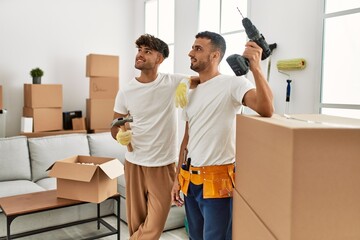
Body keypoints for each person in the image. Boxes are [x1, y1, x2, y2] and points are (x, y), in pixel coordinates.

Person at [171, 31, 274, 240]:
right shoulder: (191, 93)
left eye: (198, 49)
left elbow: (266, 108)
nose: (191, 52)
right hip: (190, 180)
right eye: (192, 47)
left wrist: (255, 67)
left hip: (217, 184)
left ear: (215, 55)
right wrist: (177, 178)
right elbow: (187, 138)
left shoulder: (233, 84)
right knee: (194, 238)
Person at [111, 34, 194, 239]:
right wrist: (119, 136)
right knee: (136, 223)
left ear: (159, 59)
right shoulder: (126, 90)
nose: (140, 55)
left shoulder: (172, 81)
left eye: (147, 51)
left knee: (155, 225)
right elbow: (114, 126)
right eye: (139, 50)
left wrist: (187, 83)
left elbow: (202, 80)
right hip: (134, 163)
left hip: (163, 164)